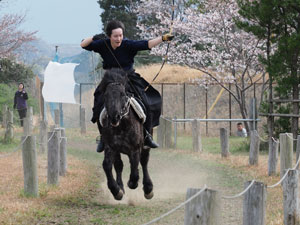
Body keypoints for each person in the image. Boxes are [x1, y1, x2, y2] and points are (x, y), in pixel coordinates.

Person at [81, 20, 174, 153]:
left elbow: (147, 44)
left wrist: (163, 38)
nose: (119, 38)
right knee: (99, 102)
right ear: (109, 36)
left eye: (121, 35)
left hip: (129, 79)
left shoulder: (128, 44)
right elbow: (84, 44)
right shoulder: (103, 44)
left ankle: (147, 135)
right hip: (110, 80)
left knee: (147, 102)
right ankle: (103, 137)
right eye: (115, 36)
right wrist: (95, 37)